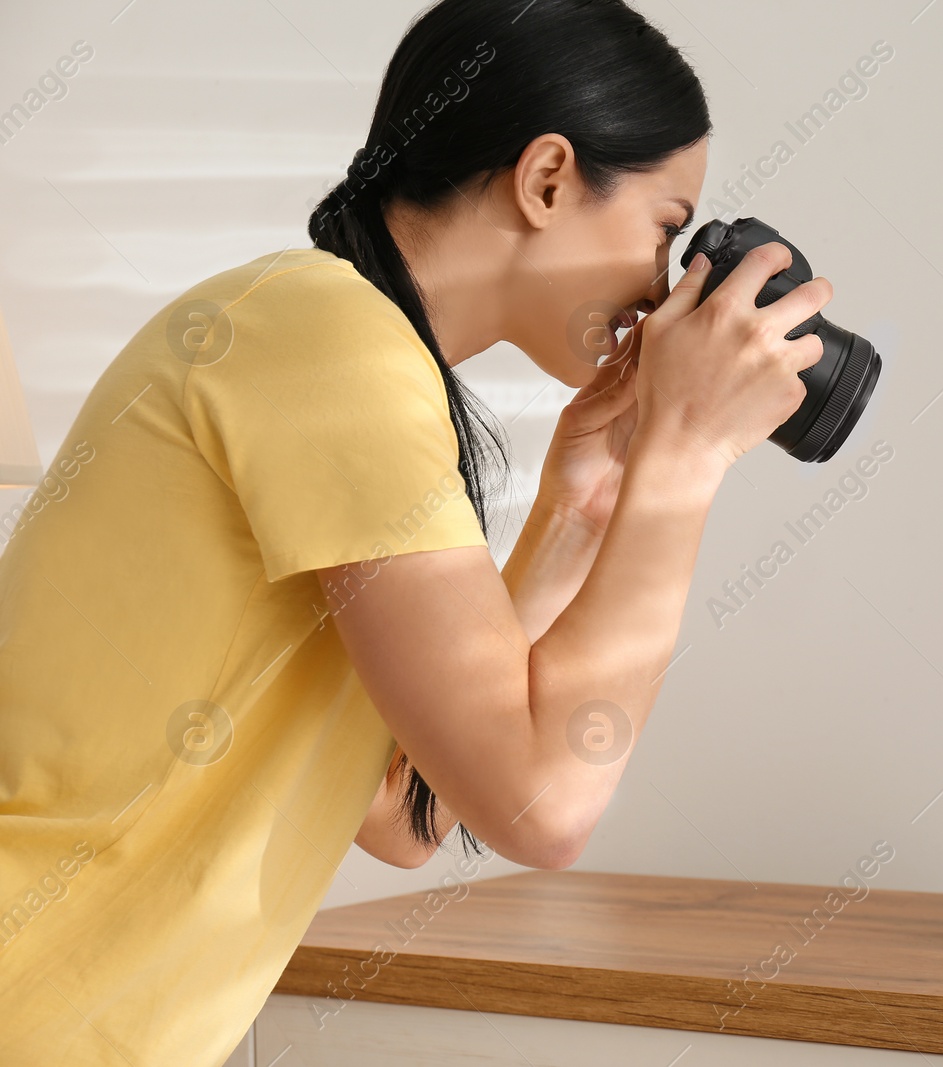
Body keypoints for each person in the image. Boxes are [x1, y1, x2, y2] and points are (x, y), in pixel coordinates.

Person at [0, 0, 831, 1062]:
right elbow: (545, 808)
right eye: (668, 228)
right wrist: (687, 459)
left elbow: (403, 812)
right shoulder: (321, 334)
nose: (663, 284)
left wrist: (580, 509)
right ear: (545, 180)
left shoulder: (340, 354)